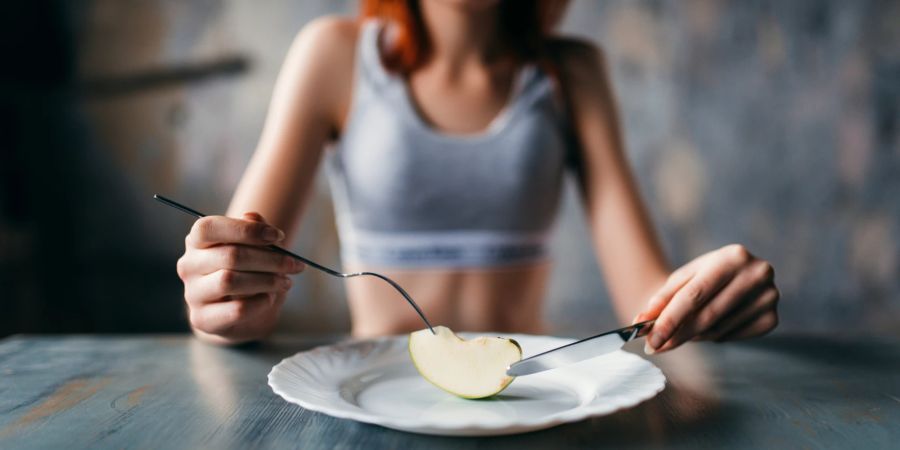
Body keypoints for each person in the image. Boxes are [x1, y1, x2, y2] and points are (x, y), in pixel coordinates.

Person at [175, 0, 779, 353]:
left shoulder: (571, 73)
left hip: (525, 402)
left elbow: (648, 304)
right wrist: (223, 300)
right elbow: (237, 265)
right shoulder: (333, 54)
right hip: (374, 400)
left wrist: (709, 298)